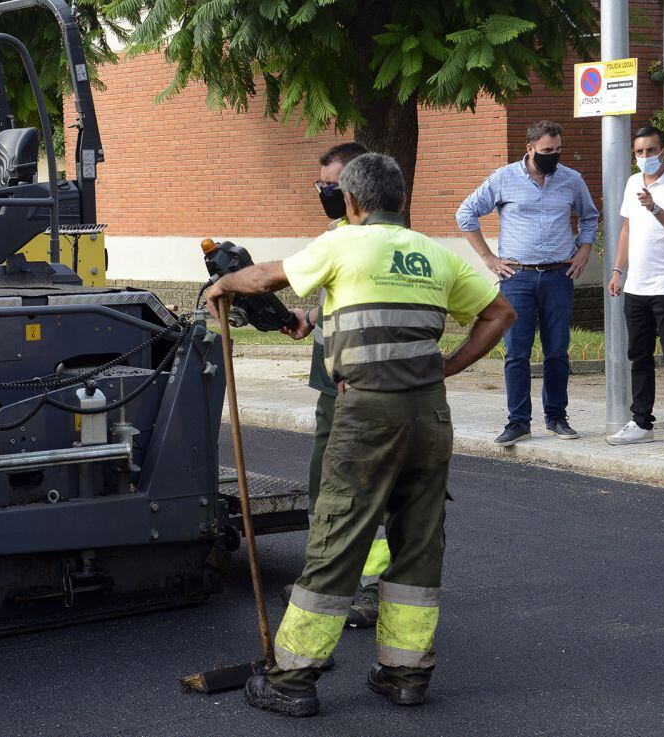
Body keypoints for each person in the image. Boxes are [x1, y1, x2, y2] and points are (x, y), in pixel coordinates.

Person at [205, 153, 516, 717]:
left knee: (337, 536)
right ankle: (404, 674)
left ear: (352, 202)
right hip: (428, 414)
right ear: (401, 199)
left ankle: (292, 678)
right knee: (418, 542)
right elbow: (499, 314)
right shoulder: (436, 254)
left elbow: (268, 275)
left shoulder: (343, 242)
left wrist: (224, 282)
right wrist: (446, 367)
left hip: (366, 412)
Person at [279, 142, 389, 629]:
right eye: (320, 185)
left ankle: (364, 588)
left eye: (332, 186)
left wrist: (231, 284)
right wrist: (309, 319)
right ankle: (328, 579)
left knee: (356, 487)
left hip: (362, 387)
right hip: (333, 382)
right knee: (324, 482)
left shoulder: (373, 242)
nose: (325, 193)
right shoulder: (340, 234)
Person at [456, 120, 599, 447]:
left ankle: (557, 417)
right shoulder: (503, 178)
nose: (555, 156)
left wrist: (584, 251)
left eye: (558, 150)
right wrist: (489, 259)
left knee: (557, 352)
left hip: (558, 276)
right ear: (530, 149)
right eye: (548, 151)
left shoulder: (571, 180)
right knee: (516, 353)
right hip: (517, 277)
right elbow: (466, 214)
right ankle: (518, 421)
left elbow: (590, 216)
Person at [606, 126, 664, 452]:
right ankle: (641, 421)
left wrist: (655, 208)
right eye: (639, 152)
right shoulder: (633, 183)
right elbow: (626, 229)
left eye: (651, 151)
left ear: (663, 151)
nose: (645, 157)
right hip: (637, 285)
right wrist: (618, 270)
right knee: (639, 357)